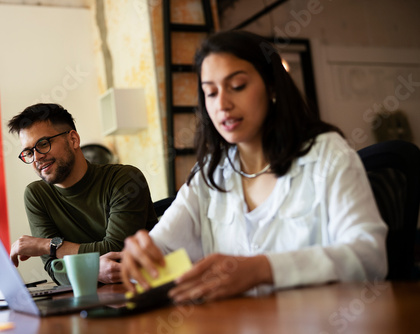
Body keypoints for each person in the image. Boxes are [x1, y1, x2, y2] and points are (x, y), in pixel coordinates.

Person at [121, 30, 388, 303]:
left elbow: (369, 256)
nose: (222, 105)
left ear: (272, 86)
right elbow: (161, 249)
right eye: (211, 93)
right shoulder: (210, 175)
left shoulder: (326, 154)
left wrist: (264, 269)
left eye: (237, 86)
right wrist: (141, 255)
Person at [8, 103, 158, 284]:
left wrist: (46, 245)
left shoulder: (125, 179)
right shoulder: (36, 195)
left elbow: (116, 251)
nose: (37, 157)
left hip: (144, 291)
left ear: (73, 140)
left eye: (43, 144)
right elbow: (55, 270)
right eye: (28, 152)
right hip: (86, 302)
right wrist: (93, 270)